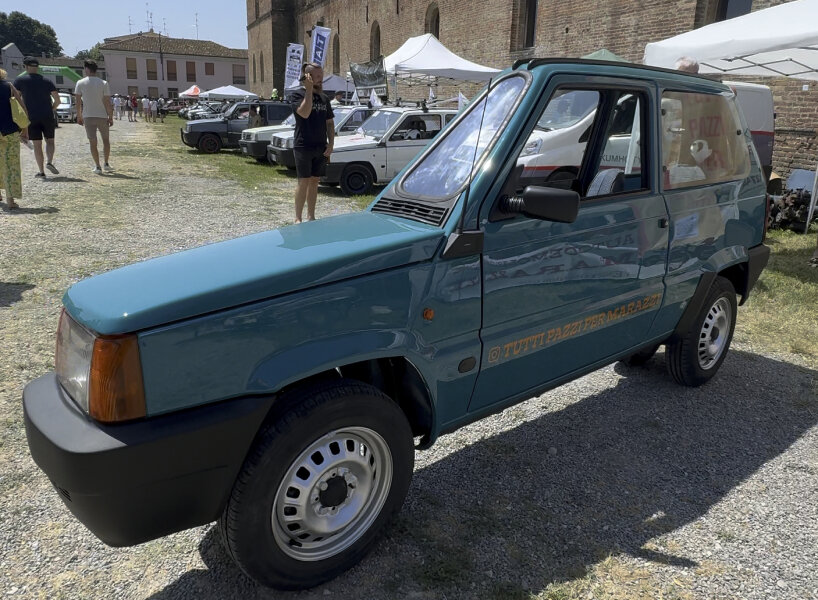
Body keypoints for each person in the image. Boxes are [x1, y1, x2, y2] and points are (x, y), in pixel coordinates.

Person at [290, 62, 334, 223]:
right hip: (303, 145)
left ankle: (311, 216)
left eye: (321, 75)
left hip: (320, 146)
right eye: (317, 76)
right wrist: (308, 90)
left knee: (315, 181)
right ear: (308, 77)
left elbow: (330, 123)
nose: (321, 79)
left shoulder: (324, 98)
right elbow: (304, 113)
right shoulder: (297, 95)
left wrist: (331, 144)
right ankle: (298, 218)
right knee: (304, 181)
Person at [13, 56, 60, 178]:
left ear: (26, 67)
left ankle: (41, 171)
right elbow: (58, 100)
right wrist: (52, 108)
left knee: (37, 144)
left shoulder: (20, 81)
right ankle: (49, 162)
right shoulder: (47, 81)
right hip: (47, 115)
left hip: (31, 117)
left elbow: (15, 99)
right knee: (50, 141)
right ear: (37, 67)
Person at [74, 59, 114, 174]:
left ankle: (97, 166)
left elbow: (78, 102)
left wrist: (79, 116)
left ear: (86, 69)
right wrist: (110, 116)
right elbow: (107, 102)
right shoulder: (104, 83)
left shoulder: (80, 83)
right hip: (102, 115)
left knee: (93, 142)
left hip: (88, 116)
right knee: (106, 140)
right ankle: (106, 163)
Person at [0, 68, 28, 209]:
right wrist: (25, 129)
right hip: (10, 130)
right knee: (11, 165)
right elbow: (22, 108)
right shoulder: (9, 86)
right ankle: (10, 200)